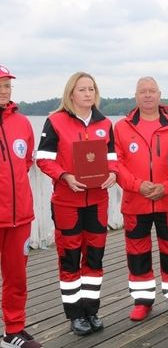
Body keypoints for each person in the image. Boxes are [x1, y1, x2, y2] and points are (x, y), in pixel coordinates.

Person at [36, 72, 117, 336]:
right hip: (67, 202)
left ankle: (91, 310)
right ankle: (75, 315)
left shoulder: (105, 123)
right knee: (70, 259)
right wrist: (64, 176)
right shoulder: (55, 121)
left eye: (91, 89)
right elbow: (44, 159)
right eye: (82, 89)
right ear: (71, 94)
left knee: (94, 259)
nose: (87, 94)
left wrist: (114, 173)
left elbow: (114, 158)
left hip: (97, 201)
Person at [114, 77, 168, 322]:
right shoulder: (122, 127)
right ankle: (142, 301)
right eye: (142, 91)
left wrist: (167, 187)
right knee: (137, 254)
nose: (147, 95)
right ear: (136, 96)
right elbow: (117, 164)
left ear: (160, 94)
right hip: (135, 202)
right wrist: (139, 186)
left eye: (151, 91)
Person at [0, 65, 42, 348]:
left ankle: (14, 330)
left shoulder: (22, 122)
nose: (6, 90)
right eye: (1, 85)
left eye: (8, 85)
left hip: (19, 216)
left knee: (17, 278)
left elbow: (26, 161)